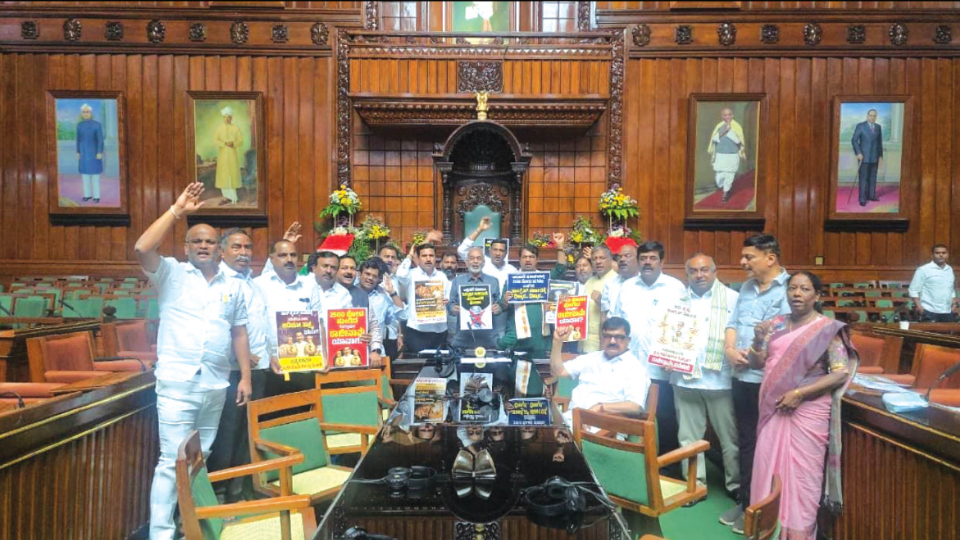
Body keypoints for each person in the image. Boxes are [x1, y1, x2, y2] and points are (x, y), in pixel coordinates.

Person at [136, 183, 254, 540]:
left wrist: (245, 377)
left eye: (210, 242)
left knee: (199, 460)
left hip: (216, 385)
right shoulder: (170, 274)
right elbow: (142, 247)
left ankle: (190, 526)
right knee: (171, 461)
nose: (204, 246)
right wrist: (177, 211)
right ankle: (161, 534)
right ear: (186, 247)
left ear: (219, 249)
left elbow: (239, 333)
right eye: (196, 241)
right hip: (178, 384)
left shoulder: (233, 285)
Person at [748, 271, 858, 540]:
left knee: (802, 479)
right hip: (774, 408)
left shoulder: (827, 329)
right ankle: (767, 531)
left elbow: (840, 373)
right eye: (793, 288)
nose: (797, 293)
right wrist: (758, 341)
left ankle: (798, 534)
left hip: (808, 411)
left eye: (805, 289)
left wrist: (800, 393)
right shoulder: (775, 324)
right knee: (766, 467)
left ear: (817, 295)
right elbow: (757, 363)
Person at [720, 233, 791, 534]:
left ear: (770, 258)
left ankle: (763, 507)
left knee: (767, 445)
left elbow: (785, 338)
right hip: (741, 376)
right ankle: (746, 501)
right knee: (746, 440)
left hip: (767, 380)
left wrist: (750, 356)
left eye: (749, 257)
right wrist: (729, 350)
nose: (742, 262)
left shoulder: (790, 289)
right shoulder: (747, 287)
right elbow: (733, 324)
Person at [614, 240, 686, 476]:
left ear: (661, 261)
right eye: (643, 258)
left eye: (652, 258)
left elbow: (684, 325)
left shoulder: (675, 288)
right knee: (629, 416)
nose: (647, 262)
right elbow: (618, 322)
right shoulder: (627, 287)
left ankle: (668, 468)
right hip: (631, 365)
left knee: (665, 417)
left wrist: (677, 356)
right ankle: (629, 467)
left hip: (663, 366)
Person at [207, 228, 269, 504]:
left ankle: (239, 489)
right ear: (221, 252)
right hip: (231, 371)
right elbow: (216, 326)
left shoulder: (251, 282)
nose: (244, 252)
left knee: (248, 433)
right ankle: (219, 493)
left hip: (259, 369)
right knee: (227, 434)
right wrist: (240, 355)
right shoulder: (217, 281)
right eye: (236, 247)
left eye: (247, 247)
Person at [671, 254, 740, 500]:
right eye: (693, 271)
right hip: (685, 379)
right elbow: (665, 334)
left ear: (714, 271)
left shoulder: (733, 299)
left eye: (704, 270)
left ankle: (736, 485)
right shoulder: (675, 301)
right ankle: (695, 486)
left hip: (720, 380)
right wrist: (666, 356)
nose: (699, 275)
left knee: (730, 438)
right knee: (688, 438)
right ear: (687, 274)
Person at [549, 317, 650, 427]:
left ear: (628, 340)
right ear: (602, 337)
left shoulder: (635, 367)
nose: (612, 341)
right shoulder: (591, 358)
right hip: (572, 420)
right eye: (607, 336)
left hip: (604, 427)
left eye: (618, 337)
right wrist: (557, 342)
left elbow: (635, 406)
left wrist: (600, 407)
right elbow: (559, 371)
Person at [253, 239, 324, 390]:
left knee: (306, 404)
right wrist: (269, 355)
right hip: (270, 364)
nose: (289, 259)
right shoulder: (259, 284)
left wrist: (324, 355)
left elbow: (319, 322)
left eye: (293, 255)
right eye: (283, 255)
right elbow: (255, 324)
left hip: (305, 364)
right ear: (271, 258)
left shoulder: (310, 285)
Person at [498, 235, 569, 358]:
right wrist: (505, 301)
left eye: (531, 257)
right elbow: (502, 307)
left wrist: (560, 246)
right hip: (517, 337)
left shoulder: (545, 279)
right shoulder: (511, 282)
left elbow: (560, 269)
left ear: (537, 260)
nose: (528, 260)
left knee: (542, 368)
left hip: (541, 337)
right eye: (524, 257)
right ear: (519, 260)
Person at [396, 243, 451, 353]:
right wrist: (409, 256)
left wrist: (447, 301)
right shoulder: (410, 275)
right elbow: (400, 274)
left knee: (439, 362)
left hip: (439, 330)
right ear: (418, 258)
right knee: (418, 362)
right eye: (424, 256)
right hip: (417, 330)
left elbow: (448, 297)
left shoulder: (442, 276)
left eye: (431, 255)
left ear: (435, 258)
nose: (428, 259)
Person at [449, 246, 503, 350]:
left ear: (483, 262)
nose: (475, 261)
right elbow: (450, 305)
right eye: (472, 258)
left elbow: (499, 305)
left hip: (488, 337)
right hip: (463, 337)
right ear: (466, 262)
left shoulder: (493, 281)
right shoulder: (457, 281)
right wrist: (453, 308)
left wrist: (498, 308)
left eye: (478, 258)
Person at [356, 257, 402, 367]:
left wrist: (392, 293)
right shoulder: (348, 294)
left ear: (379, 280)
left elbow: (402, 315)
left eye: (374, 276)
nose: (370, 278)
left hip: (377, 355)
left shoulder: (383, 299)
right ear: (359, 274)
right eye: (367, 274)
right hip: (352, 353)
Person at [457, 216, 518, 290]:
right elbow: (462, 250)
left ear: (506, 253)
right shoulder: (481, 262)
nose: (497, 253)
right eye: (495, 250)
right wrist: (479, 229)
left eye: (501, 250)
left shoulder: (512, 271)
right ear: (489, 251)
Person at [909, 244, 957, 322]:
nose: (941, 255)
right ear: (932, 255)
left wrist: (954, 304)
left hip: (947, 311)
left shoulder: (949, 269)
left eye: (943, 253)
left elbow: (951, 288)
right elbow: (913, 290)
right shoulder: (923, 270)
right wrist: (920, 308)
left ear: (947, 255)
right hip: (929, 311)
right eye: (937, 253)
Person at [707, 107, 746, 204]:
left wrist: (731, 133)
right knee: (719, 176)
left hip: (732, 155)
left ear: (732, 115)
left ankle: (726, 192)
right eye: (725, 115)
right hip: (720, 155)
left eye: (729, 114)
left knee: (729, 174)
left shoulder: (737, 126)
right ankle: (724, 186)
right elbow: (714, 139)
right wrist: (723, 131)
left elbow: (740, 142)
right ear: (722, 116)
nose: (727, 116)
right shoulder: (719, 126)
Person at [583, 245, 618, 353]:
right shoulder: (589, 281)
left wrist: (602, 302)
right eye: (594, 259)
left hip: (606, 343)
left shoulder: (617, 281)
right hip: (585, 341)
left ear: (610, 260)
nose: (598, 262)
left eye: (602, 258)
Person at [851, 108, 883, 206]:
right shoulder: (860, 126)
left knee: (873, 177)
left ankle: (871, 195)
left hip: (874, 157)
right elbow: (854, 140)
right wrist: (858, 153)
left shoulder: (878, 127)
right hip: (863, 157)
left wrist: (880, 156)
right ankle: (862, 198)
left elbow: (879, 143)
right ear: (867, 116)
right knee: (863, 179)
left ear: (876, 117)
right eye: (871, 115)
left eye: (874, 116)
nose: (872, 117)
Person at [601, 243, 641, 323]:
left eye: (627, 256)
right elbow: (604, 314)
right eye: (619, 257)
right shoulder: (610, 284)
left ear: (638, 259)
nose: (622, 259)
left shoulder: (645, 283)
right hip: (613, 329)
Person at [76, 103, 105, 203]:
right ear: (82, 113)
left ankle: (96, 196)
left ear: (91, 113)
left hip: (94, 153)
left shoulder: (97, 125)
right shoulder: (79, 125)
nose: (86, 114)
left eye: (87, 112)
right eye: (84, 112)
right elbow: (78, 140)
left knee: (95, 175)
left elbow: (100, 140)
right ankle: (87, 195)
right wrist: (78, 151)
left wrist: (99, 152)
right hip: (84, 153)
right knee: (85, 175)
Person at [215, 106, 243, 204]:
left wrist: (233, 143)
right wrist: (224, 143)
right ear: (223, 118)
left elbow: (240, 140)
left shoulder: (236, 128)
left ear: (231, 118)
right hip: (222, 155)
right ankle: (225, 197)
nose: (227, 119)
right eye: (225, 117)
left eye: (229, 117)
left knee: (232, 175)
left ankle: (234, 197)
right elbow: (216, 140)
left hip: (232, 154)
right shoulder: (219, 128)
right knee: (223, 176)